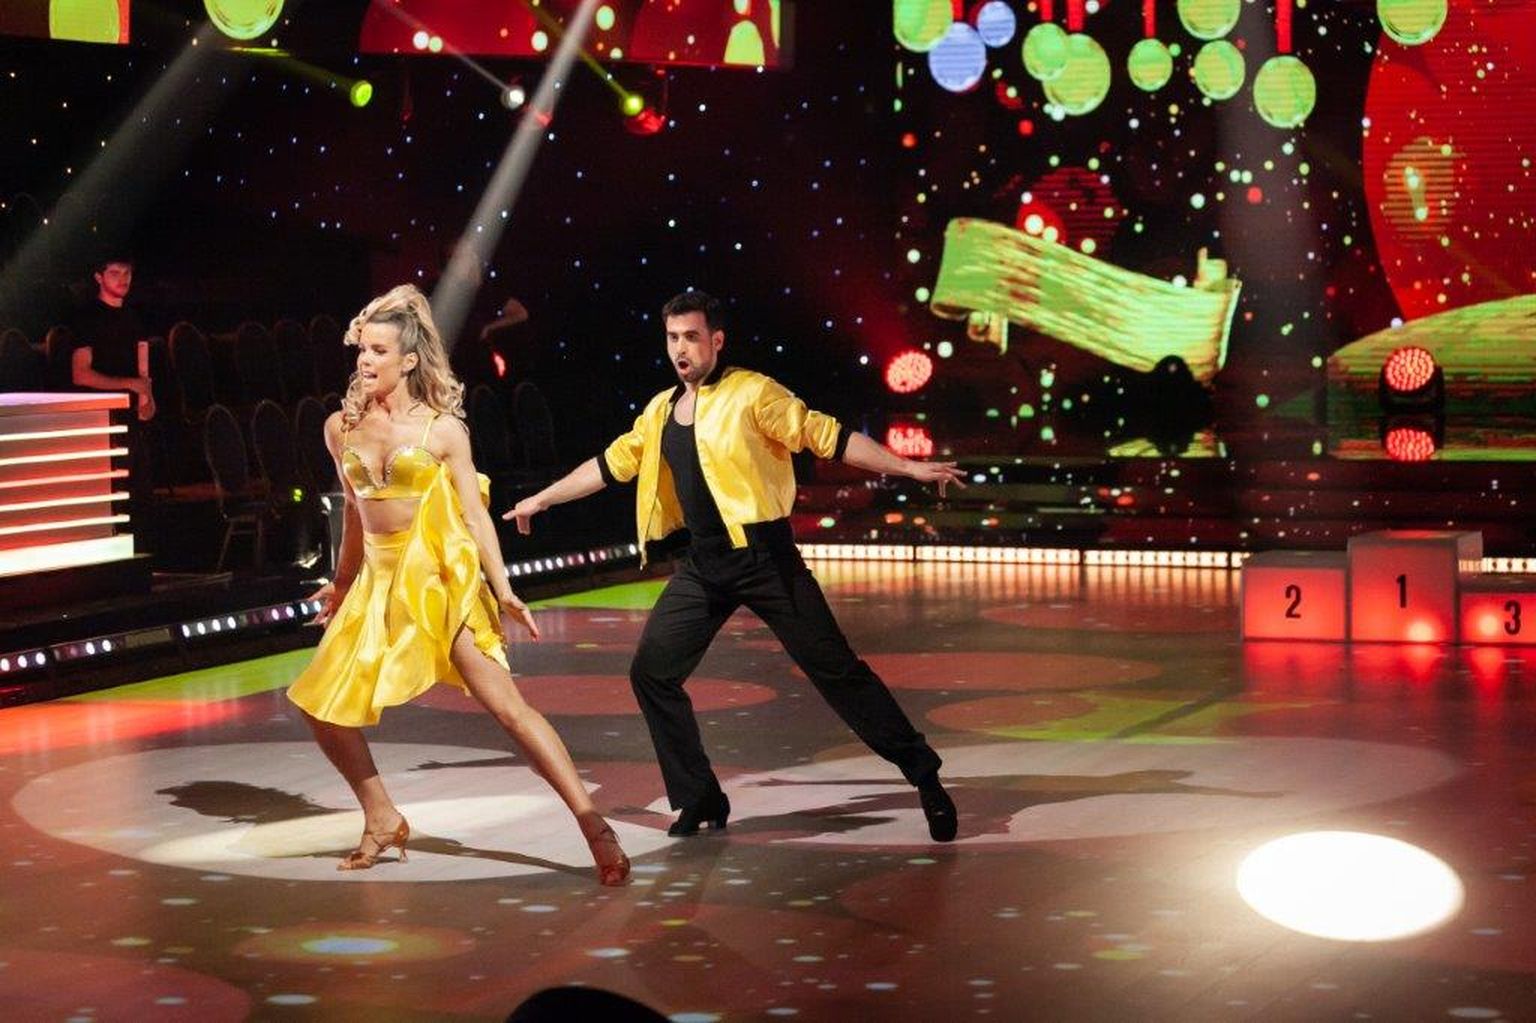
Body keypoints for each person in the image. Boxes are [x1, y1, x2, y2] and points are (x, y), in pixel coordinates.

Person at [505, 290, 966, 842]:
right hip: (704, 565)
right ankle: (699, 798)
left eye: (691, 337)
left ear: (716, 340)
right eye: (672, 338)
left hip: (766, 558)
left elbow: (828, 436)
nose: (680, 349)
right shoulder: (659, 411)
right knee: (652, 672)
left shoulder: (753, 393)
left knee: (838, 672)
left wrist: (908, 468)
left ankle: (925, 776)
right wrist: (542, 500)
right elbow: (609, 464)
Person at [286, 284, 630, 884]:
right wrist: (340, 585)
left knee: (509, 710)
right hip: (377, 583)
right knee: (319, 703)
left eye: (378, 351)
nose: (365, 361)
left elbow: (474, 517)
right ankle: (381, 816)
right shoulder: (340, 427)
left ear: (408, 361)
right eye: (362, 350)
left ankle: (592, 823)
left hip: (439, 579)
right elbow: (353, 515)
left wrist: (503, 588)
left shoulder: (443, 430)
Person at [70, 257, 155, 421]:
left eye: (127, 273)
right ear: (99, 277)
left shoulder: (134, 317)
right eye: (115, 273)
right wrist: (130, 383)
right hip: (98, 413)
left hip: (130, 413)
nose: (123, 279)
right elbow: (80, 375)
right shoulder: (86, 317)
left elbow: (141, 371)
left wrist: (148, 397)